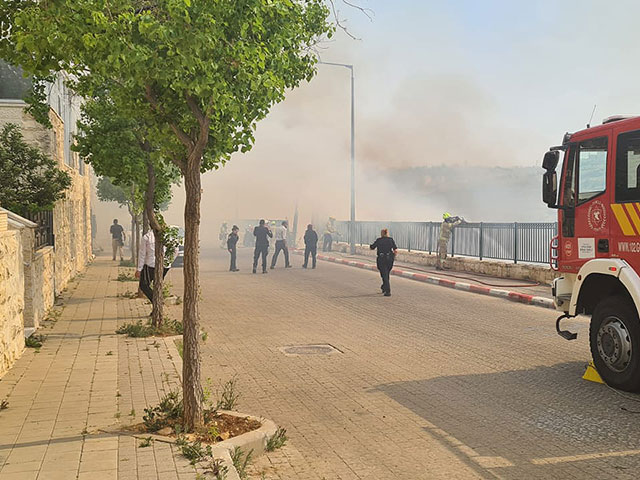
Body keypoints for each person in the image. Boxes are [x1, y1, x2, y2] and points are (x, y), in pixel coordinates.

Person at [135, 229, 170, 307]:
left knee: (143, 285)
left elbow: (142, 254)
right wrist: (168, 263)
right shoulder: (166, 236)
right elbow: (174, 250)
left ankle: (156, 302)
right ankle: (157, 304)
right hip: (164, 266)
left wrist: (139, 269)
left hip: (150, 265)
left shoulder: (147, 237)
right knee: (157, 285)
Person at [370, 228, 397, 297]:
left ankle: (387, 291)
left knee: (384, 274)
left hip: (381, 259)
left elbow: (372, 247)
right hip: (389, 259)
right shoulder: (390, 240)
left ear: (382, 233)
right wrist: (393, 256)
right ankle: (384, 287)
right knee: (386, 274)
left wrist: (370, 245)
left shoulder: (379, 240)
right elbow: (395, 249)